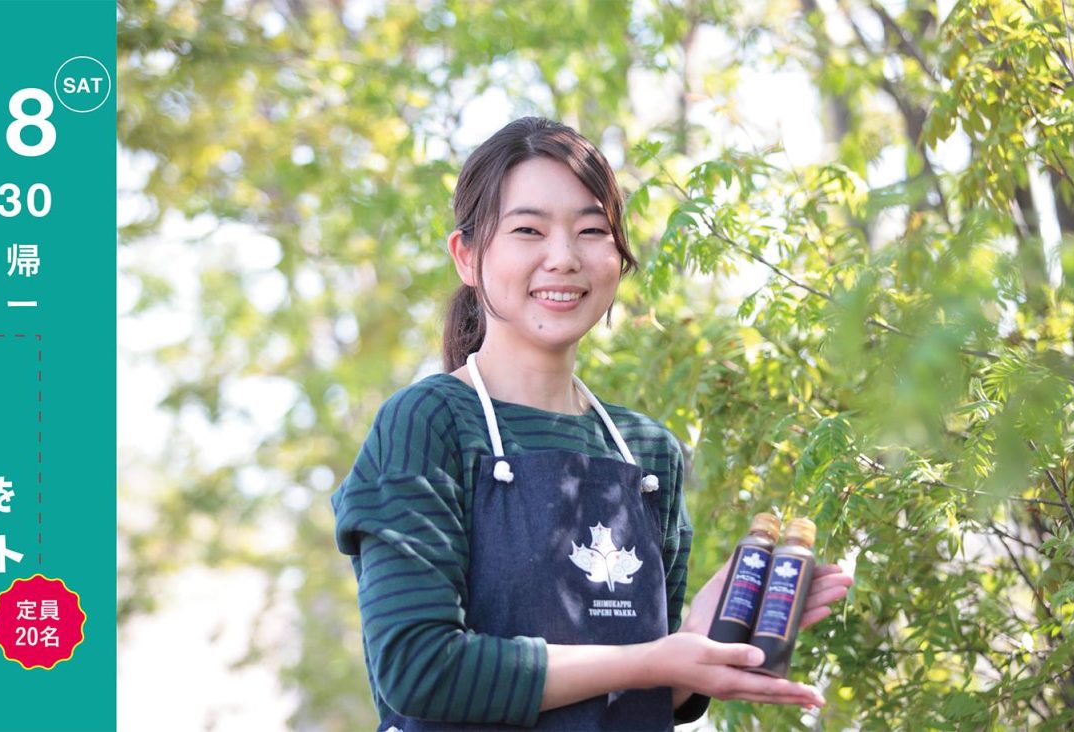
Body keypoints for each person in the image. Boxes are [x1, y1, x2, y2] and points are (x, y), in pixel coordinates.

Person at [330, 116, 855, 731]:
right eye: (528, 229)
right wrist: (649, 660)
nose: (563, 257)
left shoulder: (646, 453)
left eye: (591, 231)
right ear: (467, 256)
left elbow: (647, 695)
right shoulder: (429, 424)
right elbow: (419, 669)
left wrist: (694, 644)